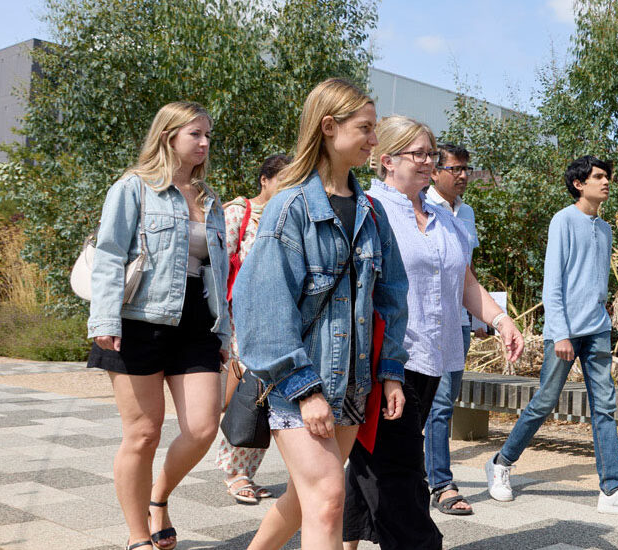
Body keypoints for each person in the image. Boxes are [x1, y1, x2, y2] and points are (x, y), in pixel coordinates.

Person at [232, 78, 408, 550]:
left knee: (308, 496)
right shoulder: (289, 208)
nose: (375, 141)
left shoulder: (372, 212)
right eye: (366, 128)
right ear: (329, 127)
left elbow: (392, 297)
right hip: (301, 381)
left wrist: (390, 372)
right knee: (328, 497)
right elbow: (263, 309)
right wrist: (304, 390)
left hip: (354, 382)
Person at [343, 117, 522, 548]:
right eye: (417, 154)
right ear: (386, 160)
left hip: (434, 358)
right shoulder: (368, 209)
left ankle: (340, 537)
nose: (428, 162)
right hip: (387, 361)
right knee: (400, 466)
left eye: (431, 154)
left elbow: (464, 281)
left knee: (374, 459)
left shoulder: (443, 217)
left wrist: (500, 320)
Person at [86, 101, 230, 550]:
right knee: (143, 433)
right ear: (169, 136)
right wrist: (105, 319)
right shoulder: (134, 188)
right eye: (195, 134)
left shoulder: (210, 199)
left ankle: (158, 497)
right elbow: (110, 254)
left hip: (196, 322)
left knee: (204, 427)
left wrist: (224, 331)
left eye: (208, 135)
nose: (205, 143)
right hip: (137, 320)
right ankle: (136, 536)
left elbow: (218, 271)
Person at [484, 155, 618, 516]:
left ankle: (612, 489)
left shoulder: (605, 228)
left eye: (606, 176)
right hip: (564, 332)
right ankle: (501, 463)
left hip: (596, 330)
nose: (606, 181)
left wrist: (603, 320)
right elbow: (553, 283)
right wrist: (560, 333)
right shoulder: (563, 221)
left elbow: (596, 284)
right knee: (544, 402)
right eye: (598, 177)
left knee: (605, 408)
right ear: (579, 184)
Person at [215, 153, 289, 505]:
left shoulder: (290, 215)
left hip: (276, 317)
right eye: (282, 180)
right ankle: (235, 473)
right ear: (264, 180)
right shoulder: (237, 213)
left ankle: (248, 472)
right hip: (237, 318)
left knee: (264, 395)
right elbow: (217, 271)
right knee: (246, 392)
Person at [420, 142, 484, 513]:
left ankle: (425, 476)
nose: (463, 176)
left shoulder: (467, 213)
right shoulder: (420, 205)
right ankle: (441, 484)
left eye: (465, 169)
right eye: (456, 169)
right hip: (426, 323)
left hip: (457, 323)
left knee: (442, 405)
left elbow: (465, 271)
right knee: (439, 405)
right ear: (437, 171)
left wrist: (480, 317)